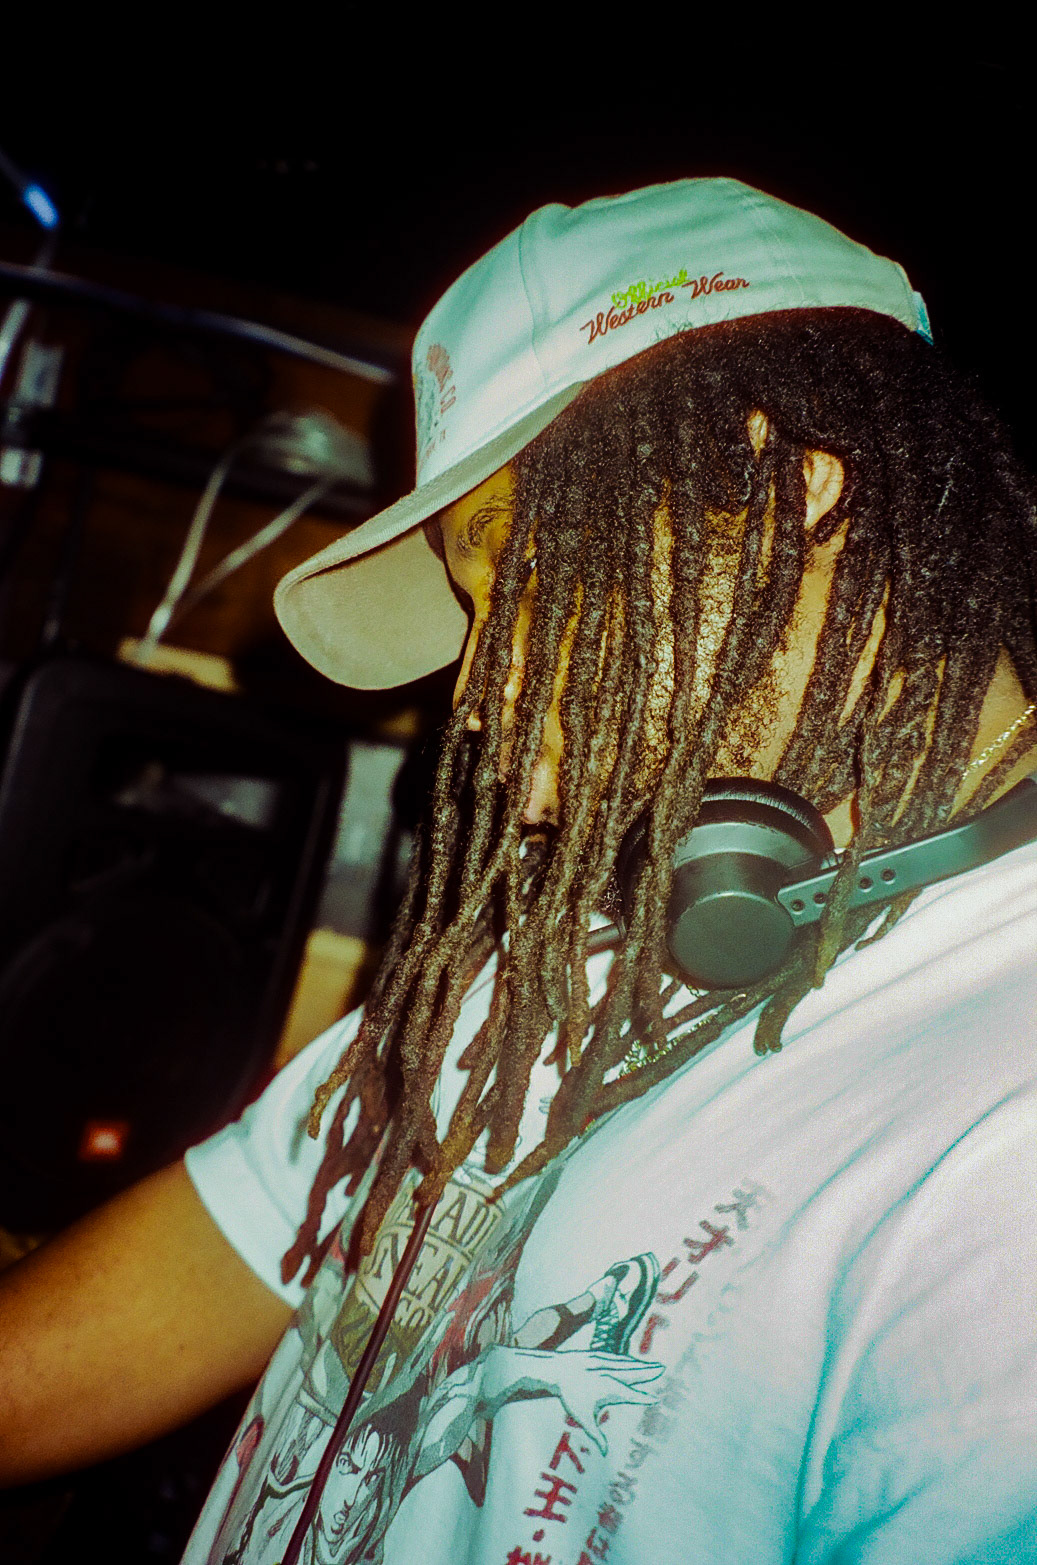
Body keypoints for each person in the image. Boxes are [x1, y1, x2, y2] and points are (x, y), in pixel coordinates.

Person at [1, 178, 1035, 1563]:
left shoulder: (1005, 1137)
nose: (473, 704)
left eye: (515, 581)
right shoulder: (557, 964)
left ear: (790, 493)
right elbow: (87, 1340)